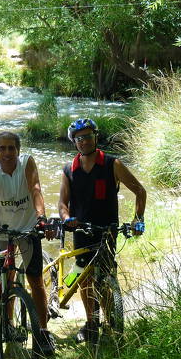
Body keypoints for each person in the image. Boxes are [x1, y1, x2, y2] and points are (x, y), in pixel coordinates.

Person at [58, 118, 147, 343]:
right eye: (79, 138)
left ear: (95, 137)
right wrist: (66, 218)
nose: (84, 141)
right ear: (74, 142)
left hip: (107, 231)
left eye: (88, 136)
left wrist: (138, 219)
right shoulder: (69, 169)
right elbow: (62, 204)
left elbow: (140, 191)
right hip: (81, 232)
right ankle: (90, 324)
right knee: (84, 279)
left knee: (107, 277)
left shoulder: (112, 164)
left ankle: (112, 325)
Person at [0, 131, 57, 356]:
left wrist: (42, 217)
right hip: (4, 230)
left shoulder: (27, 163)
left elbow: (36, 190)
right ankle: (7, 324)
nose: (7, 152)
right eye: (2, 148)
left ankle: (42, 331)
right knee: (7, 278)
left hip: (29, 228)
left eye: (12, 148)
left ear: (18, 150)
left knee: (36, 281)